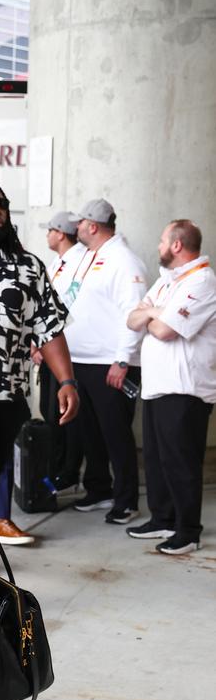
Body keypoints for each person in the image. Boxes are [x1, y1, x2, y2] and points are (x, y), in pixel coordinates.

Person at [0, 181, 79, 563]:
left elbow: (49, 327)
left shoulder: (28, 268)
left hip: (10, 395)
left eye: (2, 203)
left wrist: (67, 380)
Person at [125, 219, 216, 554]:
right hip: (157, 387)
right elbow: (132, 319)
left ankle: (188, 532)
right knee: (158, 460)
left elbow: (165, 331)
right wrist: (155, 311)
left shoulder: (203, 282)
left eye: (163, 240)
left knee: (182, 464)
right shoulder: (166, 283)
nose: (159, 245)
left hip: (185, 390)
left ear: (177, 245)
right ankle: (163, 519)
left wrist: (151, 315)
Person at [64, 199, 147, 523]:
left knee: (116, 435)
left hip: (110, 363)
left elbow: (135, 312)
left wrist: (123, 360)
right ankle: (99, 489)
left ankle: (127, 501)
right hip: (82, 361)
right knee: (91, 433)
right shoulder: (91, 256)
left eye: (81, 222)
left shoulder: (124, 261)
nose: (77, 228)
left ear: (93, 226)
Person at [36, 211, 87, 494]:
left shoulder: (79, 262)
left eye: (50, 230)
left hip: (65, 350)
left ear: (61, 234)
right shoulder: (59, 261)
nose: (47, 235)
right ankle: (56, 471)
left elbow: (66, 308)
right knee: (49, 412)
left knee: (65, 415)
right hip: (47, 349)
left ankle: (68, 473)